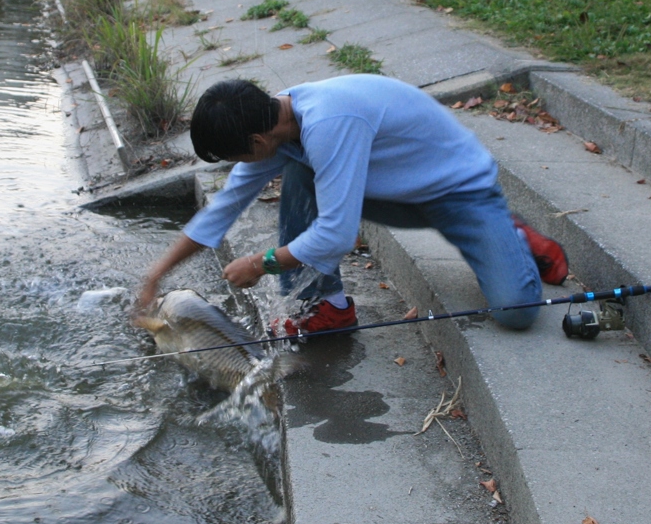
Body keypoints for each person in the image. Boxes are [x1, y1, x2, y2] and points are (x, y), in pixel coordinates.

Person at [136, 74, 567, 333]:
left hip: (461, 194)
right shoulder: (270, 119)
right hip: (393, 193)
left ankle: (511, 234)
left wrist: (260, 263)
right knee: (300, 169)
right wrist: (156, 275)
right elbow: (225, 207)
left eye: (237, 157)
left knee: (516, 312)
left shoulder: (328, 122)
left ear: (256, 141)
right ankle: (325, 307)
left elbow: (337, 235)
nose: (240, 166)